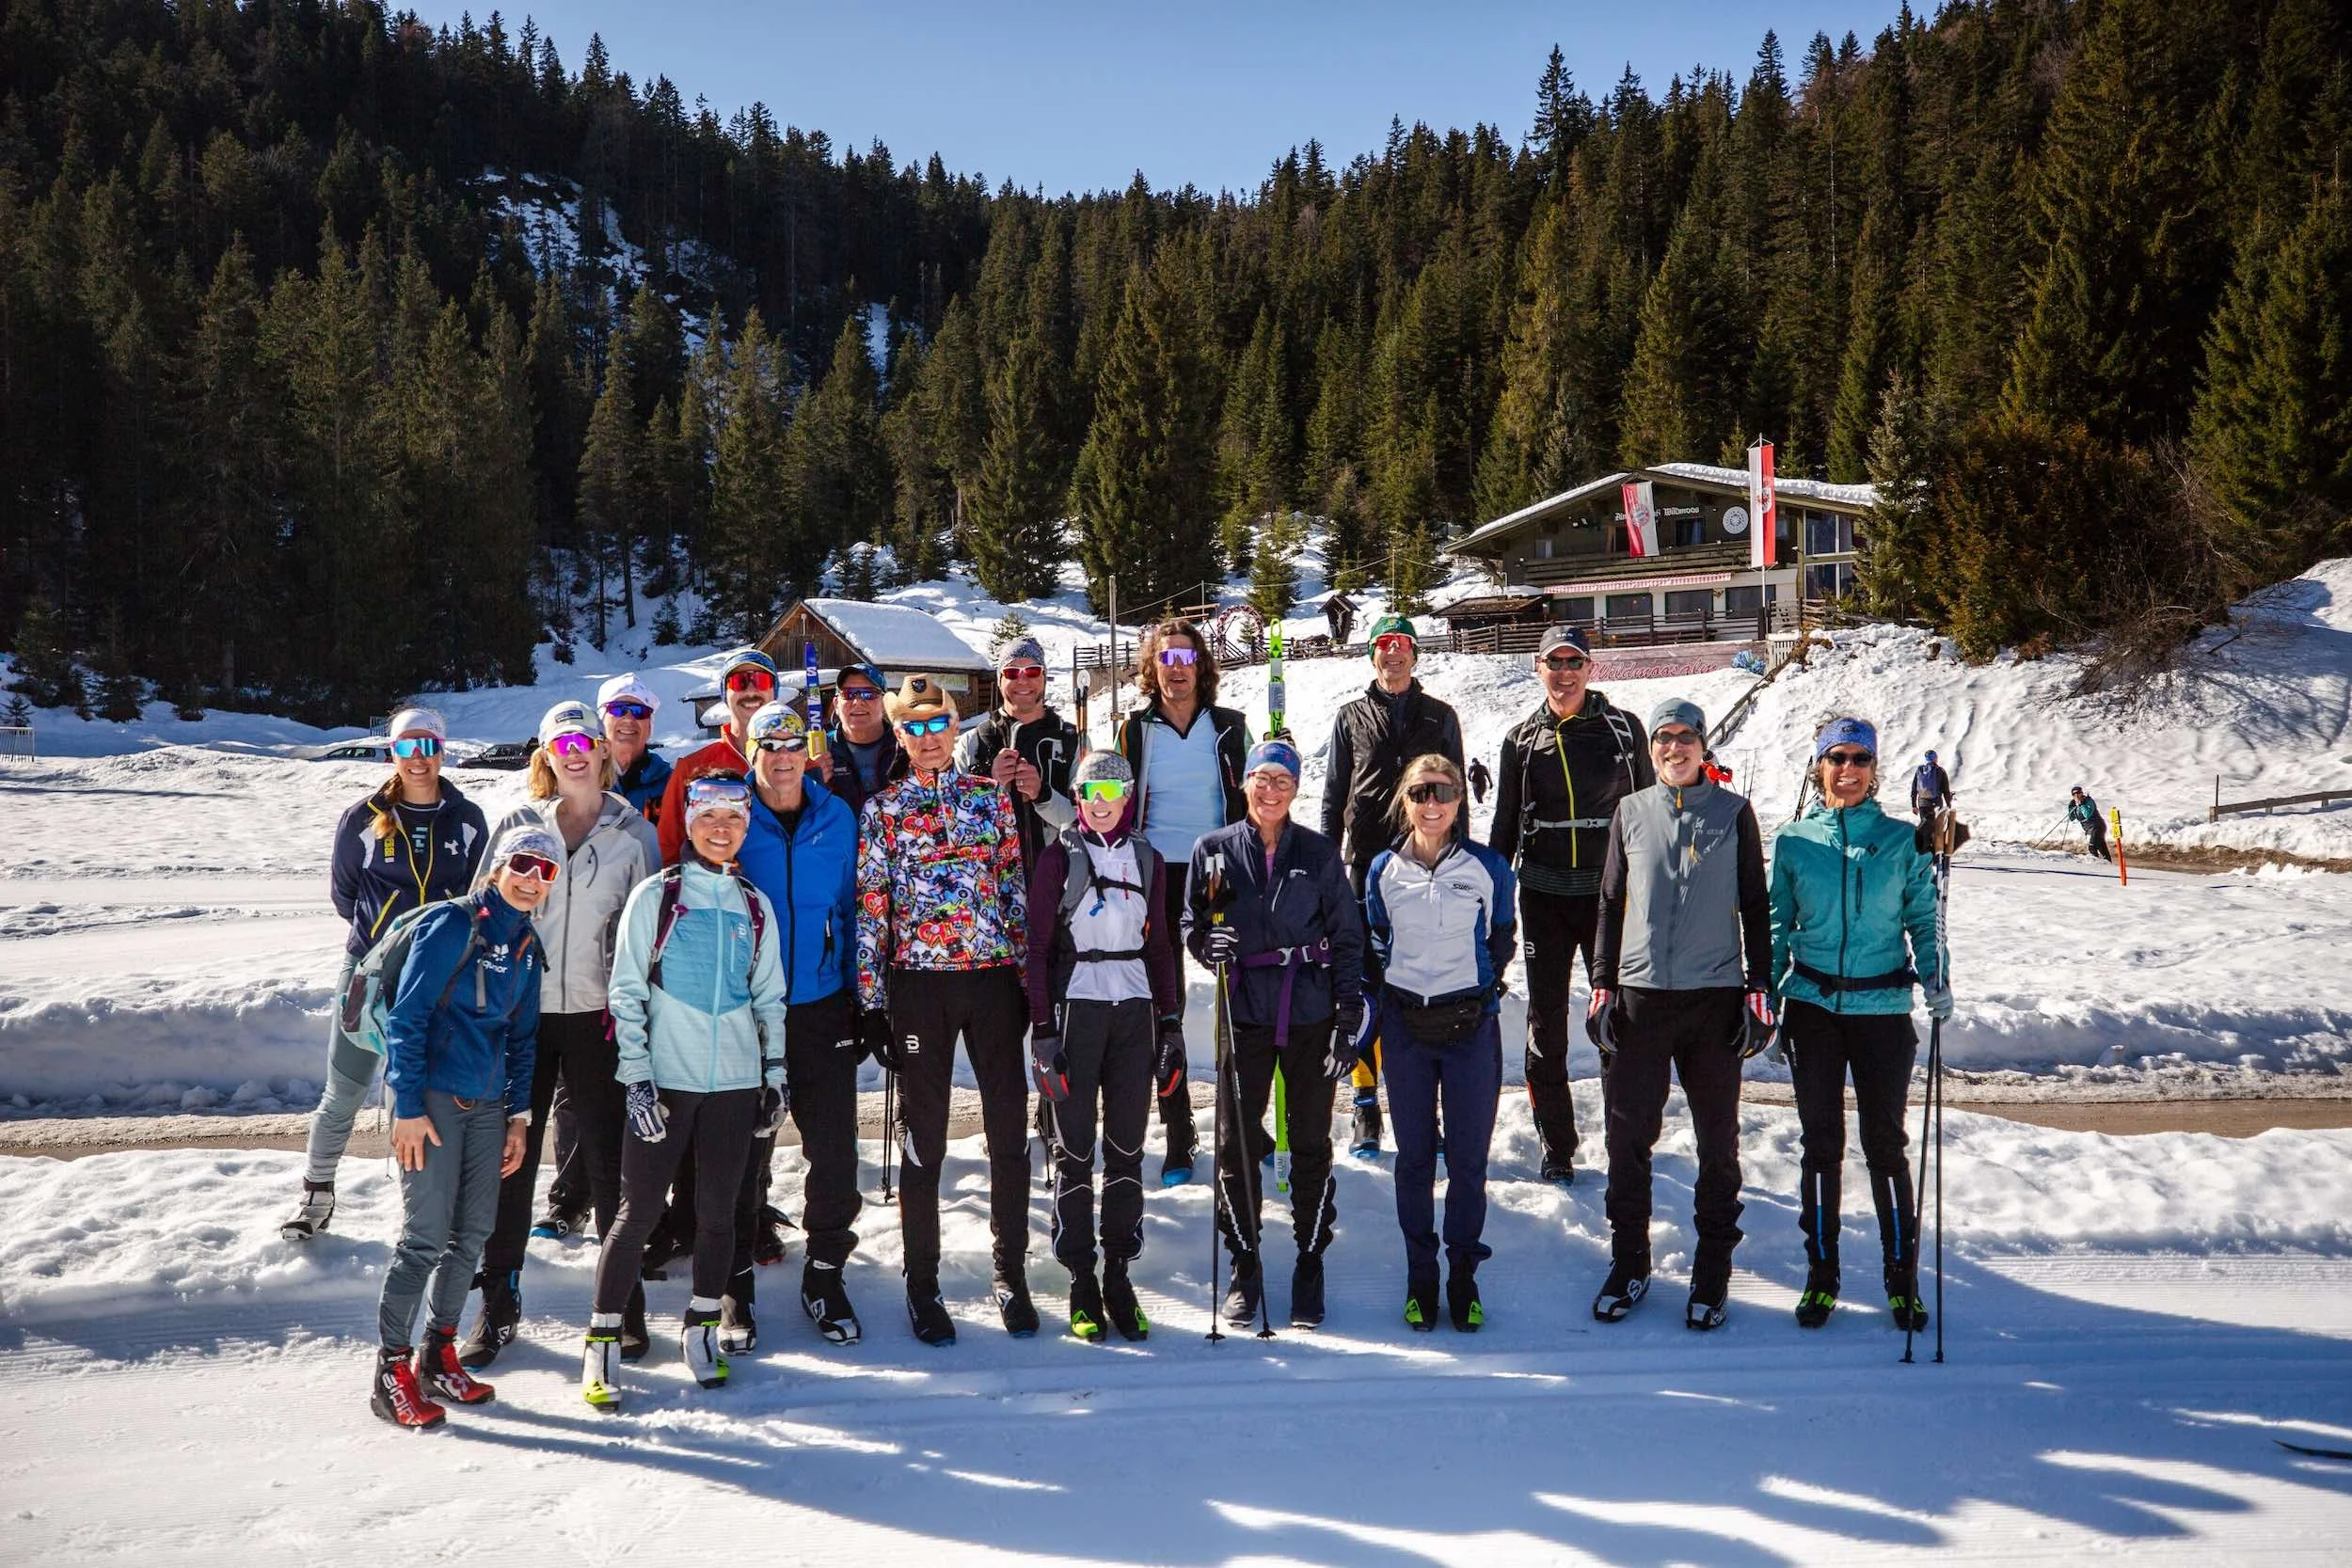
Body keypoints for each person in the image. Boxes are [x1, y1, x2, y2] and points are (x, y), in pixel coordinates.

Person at [455, 701, 660, 1368]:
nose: (575, 752)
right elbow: (480, 912)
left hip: (599, 1016)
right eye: (560, 742)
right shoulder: (517, 825)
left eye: (586, 740)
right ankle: (500, 1299)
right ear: (545, 754)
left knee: (608, 1162)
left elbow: (647, 930)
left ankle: (621, 1305)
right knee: (512, 1158)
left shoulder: (632, 831)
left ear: (604, 750)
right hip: (523, 1014)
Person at [580, 773, 787, 1412]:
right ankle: (603, 1340)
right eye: (709, 816)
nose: (721, 827)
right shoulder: (659, 895)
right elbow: (627, 992)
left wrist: (773, 1074)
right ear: (690, 822)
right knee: (637, 1213)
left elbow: (769, 997)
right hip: (665, 1080)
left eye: (734, 817)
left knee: (721, 1214)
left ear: (745, 827)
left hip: (733, 1081)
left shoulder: (753, 903)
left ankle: (700, 1330)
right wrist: (637, 1077)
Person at [854, 673, 1032, 1346]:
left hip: (989, 982)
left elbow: (1012, 889)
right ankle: (922, 1284)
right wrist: (872, 1002)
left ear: (957, 729)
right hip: (919, 988)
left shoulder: (991, 802)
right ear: (900, 735)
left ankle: (1009, 1270)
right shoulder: (884, 811)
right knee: (923, 1138)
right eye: (914, 726)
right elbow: (873, 909)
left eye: (939, 724)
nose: (928, 738)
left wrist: (1025, 983)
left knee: (1008, 1130)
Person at [1585, 699, 1772, 1332]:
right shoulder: (1630, 812)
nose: (1672, 748)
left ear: (1702, 745)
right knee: (1626, 1137)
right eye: (1663, 738)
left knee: (1717, 1140)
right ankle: (1629, 1260)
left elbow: (1754, 902)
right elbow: (1610, 902)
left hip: (1713, 997)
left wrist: (1760, 987)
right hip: (1640, 997)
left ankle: (1712, 1269)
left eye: (1684, 737)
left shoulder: (1733, 812)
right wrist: (1602, 983)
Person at [368, 824, 552, 1428]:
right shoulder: (453, 924)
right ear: (497, 868)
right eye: (523, 865)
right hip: (433, 1103)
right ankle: (390, 1371)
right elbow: (408, 1017)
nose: (532, 880)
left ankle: (437, 1355)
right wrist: (409, 1105)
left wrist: (520, 1119)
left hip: (490, 1106)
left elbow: (523, 1041)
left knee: (471, 1234)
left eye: (546, 872)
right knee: (424, 1236)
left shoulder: (526, 943)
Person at [1770, 717, 1949, 1334]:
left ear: (1875, 769)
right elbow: (1775, 925)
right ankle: (1822, 1276)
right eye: (1837, 757)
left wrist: (1938, 976)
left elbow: (1924, 918)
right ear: (1818, 766)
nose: (1848, 769)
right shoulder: (1793, 841)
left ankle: (1902, 1278)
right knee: (1820, 1145)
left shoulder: (1902, 841)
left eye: (1860, 759)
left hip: (1882, 1012)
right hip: (1813, 1010)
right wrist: (1764, 996)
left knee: (1886, 1145)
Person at [283, 706, 489, 1242]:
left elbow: (476, 895)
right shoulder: (363, 817)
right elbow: (344, 895)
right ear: (391, 752)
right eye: (406, 747)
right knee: (345, 1088)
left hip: (439, 974)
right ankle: (316, 1191)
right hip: (371, 972)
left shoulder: (467, 819)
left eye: (428, 746)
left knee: (417, 1098)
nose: (418, 758)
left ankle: (422, 1213)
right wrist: (383, 939)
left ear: (443, 751)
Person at [1186, 738, 1365, 1331]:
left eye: (1282, 783)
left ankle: (1309, 1262)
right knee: (1236, 1142)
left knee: (1309, 1139)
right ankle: (1245, 1262)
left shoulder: (1316, 853)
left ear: (1295, 791)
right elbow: (1198, 919)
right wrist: (1201, 942)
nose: (1270, 792)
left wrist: (1347, 1017)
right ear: (1245, 785)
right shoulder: (1213, 851)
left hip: (1310, 1013)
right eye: (1262, 780)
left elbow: (1345, 936)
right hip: (1243, 1013)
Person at [1025, 750, 1185, 1342]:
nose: (1099, 801)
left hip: (1135, 1007)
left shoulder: (1146, 857)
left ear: (1127, 797)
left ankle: (1118, 1272)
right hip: (1078, 1007)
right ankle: (1081, 1277)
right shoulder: (1057, 858)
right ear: (1077, 795)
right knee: (1074, 1148)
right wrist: (1043, 1032)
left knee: (1125, 1144)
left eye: (1111, 790)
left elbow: (1162, 945)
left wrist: (1170, 1025)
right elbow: (1037, 951)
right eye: (1089, 790)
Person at [1486, 625, 1654, 1185]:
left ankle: (1624, 1138)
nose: (1564, 672)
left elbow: (1650, 814)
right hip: (1543, 895)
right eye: (1553, 662)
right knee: (1547, 1022)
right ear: (1538, 668)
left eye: (1574, 662)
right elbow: (1505, 823)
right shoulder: (1521, 740)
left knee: (1617, 1020)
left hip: (1611, 899)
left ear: (1590, 668)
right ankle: (1556, 1144)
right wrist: (1486, 898)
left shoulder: (1625, 729)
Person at [1362, 754, 1516, 1333]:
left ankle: (1463, 1277)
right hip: (1406, 1031)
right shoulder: (1383, 869)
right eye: (1421, 792)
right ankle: (1420, 1278)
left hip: (1470, 1030)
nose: (1433, 804)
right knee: (1415, 1160)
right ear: (1405, 799)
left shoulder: (1488, 867)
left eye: (1444, 792)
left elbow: (1501, 935)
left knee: (1469, 1162)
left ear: (1459, 801)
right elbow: (1377, 938)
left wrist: (1474, 989)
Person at [732, 700, 865, 1348]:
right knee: (740, 1150)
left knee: (835, 1151)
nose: (782, 758)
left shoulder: (836, 816)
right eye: (769, 746)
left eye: (792, 746)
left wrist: (865, 998)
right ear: (750, 753)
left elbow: (853, 906)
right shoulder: (729, 816)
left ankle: (825, 1271)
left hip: (821, 1005)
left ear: (804, 752)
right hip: (746, 1010)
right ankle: (732, 1285)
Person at [1322, 612, 1465, 1159]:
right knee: (1365, 985)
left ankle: (1425, 1108)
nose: (1393, 653)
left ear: (1414, 653)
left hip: (1426, 864)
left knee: (1422, 980)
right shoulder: (1350, 718)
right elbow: (1336, 795)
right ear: (1373, 656)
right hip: (1365, 864)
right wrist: (1327, 868)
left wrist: (1459, 862)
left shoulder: (1440, 715)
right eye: (1383, 645)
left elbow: (1456, 794)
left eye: (1402, 643)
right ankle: (1364, 1104)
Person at [1113, 618, 1249, 1185]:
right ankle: (1178, 1130)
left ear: (1201, 665)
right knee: (1161, 1005)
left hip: (1216, 865)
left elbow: (1253, 792)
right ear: (1153, 668)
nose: (1176, 669)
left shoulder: (1228, 727)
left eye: (1185, 658)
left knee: (1233, 990)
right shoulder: (1135, 731)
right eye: (1165, 660)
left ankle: (1243, 1125)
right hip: (1155, 871)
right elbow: (1115, 799)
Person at [956, 634, 1082, 867]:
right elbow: (956, 824)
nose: (1023, 680)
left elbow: (1086, 821)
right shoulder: (973, 743)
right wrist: (989, 787)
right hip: (992, 883)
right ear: (999, 680)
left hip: (1059, 882)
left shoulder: (1073, 741)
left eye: (1032, 671)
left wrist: (1043, 795)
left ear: (1044, 677)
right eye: (1012, 672)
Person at [657, 645, 780, 866]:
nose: (751, 691)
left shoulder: (799, 766)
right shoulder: (692, 767)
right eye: (739, 682)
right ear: (726, 694)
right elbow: (669, 846)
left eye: (761, 681)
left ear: (774, 692)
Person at [819, 660, 905, 819]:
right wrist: (812, 782)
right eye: (848, 694)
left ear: (884, 703)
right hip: (843, 841)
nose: (858, 702)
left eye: (869, 694)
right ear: (836, 704)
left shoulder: (905, 747)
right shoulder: (821, 750)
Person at [601, 673, 674, 822]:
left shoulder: (672, 785)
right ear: (601, 719)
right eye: (618, 709)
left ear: (650, 725)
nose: (628, 719)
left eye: (639, 711)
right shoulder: (582, 778)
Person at [2069, 786, 2112, 862]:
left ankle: (2095, 863)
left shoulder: (2088, 801)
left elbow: (2087, 815)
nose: (2077, 796)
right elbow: (2072, 818)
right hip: (2090, 829)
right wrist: (2071, 808)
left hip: (2097, 826)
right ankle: (2108, 863)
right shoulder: (2074, 804)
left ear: (2082, 793)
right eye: (2074, 794)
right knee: (2101, 846)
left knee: (2092, 847)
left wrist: (2080, 804)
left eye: (2078, 793)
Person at [1909, 750, 1952, 825]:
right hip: (1936, 803)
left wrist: (1914, 805)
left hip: (1923, 804)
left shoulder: (1920, 770)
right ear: (1935, 758)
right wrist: (1949, 805)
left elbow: (1914, 789)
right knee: (1937, 828)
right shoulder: (1940, 771)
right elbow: (1946, 791)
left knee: (1925, 827)